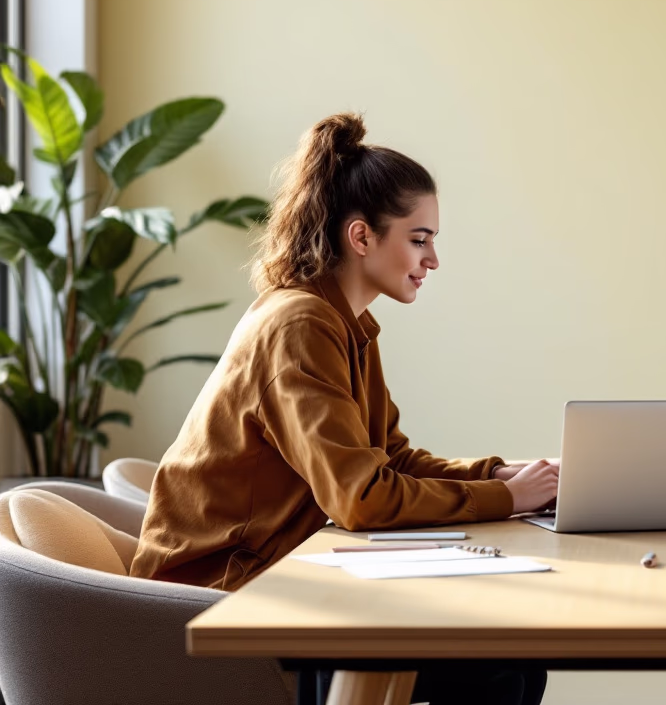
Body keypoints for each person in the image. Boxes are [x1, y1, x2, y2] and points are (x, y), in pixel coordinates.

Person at [130, 113, 553, 705]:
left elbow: (391, 459)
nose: (433, 261)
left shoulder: (342, 322)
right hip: (223, 598)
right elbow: (361, 498)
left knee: (509, 660)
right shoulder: (301, 324)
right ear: (361, 237)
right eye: (419, 239)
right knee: (499, 668)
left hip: (277, 573)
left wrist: (499, 475)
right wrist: (508, 499)